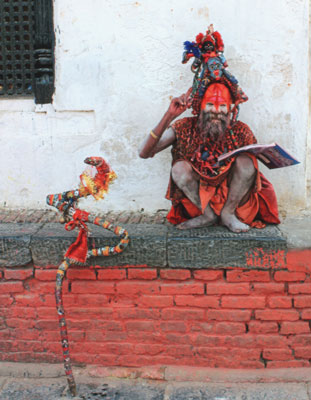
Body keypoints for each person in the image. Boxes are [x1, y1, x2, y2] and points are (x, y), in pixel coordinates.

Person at [139, 82, 280, 233]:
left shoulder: (241, 130)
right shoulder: (184, 126)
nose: (216, 111)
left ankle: (228, 214)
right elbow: (144, 153)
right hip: (198, 203)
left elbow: (251, 172)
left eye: (223, 106)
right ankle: (207, 215)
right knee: (179, 169)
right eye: (210, 104)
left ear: (230, 109)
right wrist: (169, 115)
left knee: (247, 162)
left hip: (235, 203)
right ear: (200, 106)